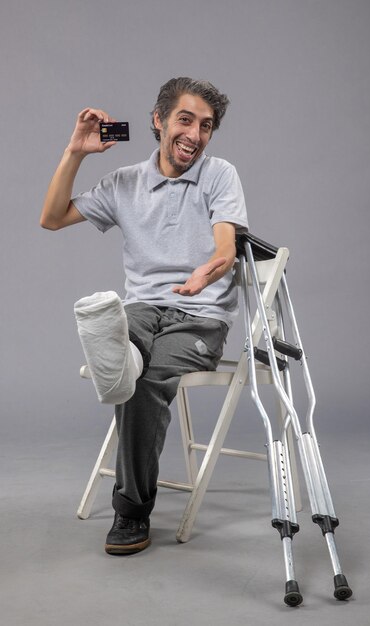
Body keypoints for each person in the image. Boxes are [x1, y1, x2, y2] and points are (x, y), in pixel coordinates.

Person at [40, 77, 248, 555]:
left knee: (144, 380)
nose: (195, 134)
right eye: (185, 119)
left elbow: (225, 249)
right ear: (158, 121)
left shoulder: (219, 174)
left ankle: (131, 513)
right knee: (125, 334)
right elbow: (51, 218)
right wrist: (76, 153)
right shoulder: (123, 183)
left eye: (206, 126)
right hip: (139, 310)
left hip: (199, 317)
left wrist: (205, 274)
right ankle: (117, 355)